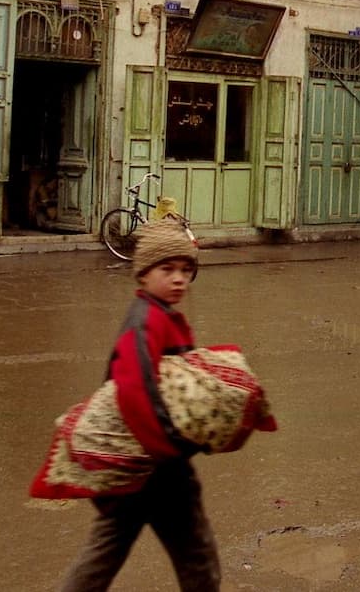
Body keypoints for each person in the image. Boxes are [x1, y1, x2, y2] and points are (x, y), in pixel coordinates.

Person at [58, 218, 220, 592]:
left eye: (185, 270)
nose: (179, 279)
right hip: (153, 464)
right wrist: (172, 447)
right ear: (143, 275)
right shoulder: (146, 322)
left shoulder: (162, 315)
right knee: (197, 557)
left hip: (140, 464)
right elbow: (136, 392)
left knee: (105, 554)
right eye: (168, 270)